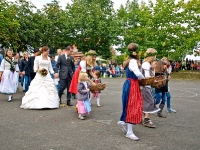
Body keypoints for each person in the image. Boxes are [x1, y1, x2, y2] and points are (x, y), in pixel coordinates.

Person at [118, 43, 144, 141]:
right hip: (132, 85)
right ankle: (129, 132)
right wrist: (145, 78)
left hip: (129, 84)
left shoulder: (130, 61)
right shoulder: (133, 61)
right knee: (132, 106)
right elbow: (137, 73)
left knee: (129, 105)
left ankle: (123, 121)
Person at [141, 48, 160, 128]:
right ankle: (146, 120)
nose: (155, 56)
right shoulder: (146, 64)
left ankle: (142, 118)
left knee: (145, 102)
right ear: (152, 55)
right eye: (155, 54)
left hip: (146, 86)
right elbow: (146, 77)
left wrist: (153, 69)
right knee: (150, 102)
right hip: (145, 86)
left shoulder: (148, 64)